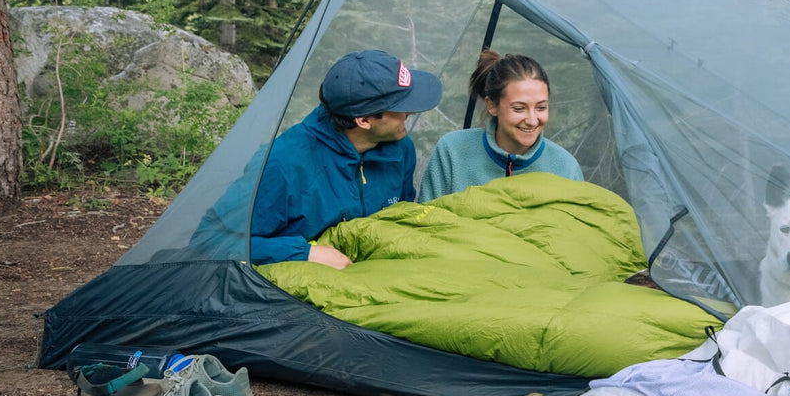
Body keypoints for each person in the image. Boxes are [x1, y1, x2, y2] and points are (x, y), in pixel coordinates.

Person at [238, 49, 442, 267]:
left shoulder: (400, 149)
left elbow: (401, 215)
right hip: (299, 288)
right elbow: (214, 240)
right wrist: (306, 253)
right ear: (364, 120)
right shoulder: (282, 164)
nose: (410, 113)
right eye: (401, 107)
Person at [418, 50, 582, 201]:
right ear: (492, 106)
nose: (532, 120)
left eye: (541, 108)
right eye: (519, 108)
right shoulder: (453, 151)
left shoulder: (566, 168)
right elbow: (425, 222)